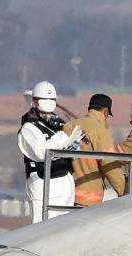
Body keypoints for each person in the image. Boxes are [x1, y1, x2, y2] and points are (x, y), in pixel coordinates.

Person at [18, 81, 83, 222]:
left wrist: (74, 141)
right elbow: (42, 152)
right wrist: (65, 136)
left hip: (65, 180)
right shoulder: (29, 128)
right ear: (34, 102)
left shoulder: (58, 124)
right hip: (44, 184)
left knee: (64, 227)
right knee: (42, 226)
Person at [62, 93, 127, 206]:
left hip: (63, 195)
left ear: (89, 109)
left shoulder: (68, 126)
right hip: (87, 198)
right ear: (106, 112)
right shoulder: (100, 131)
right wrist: (124, 192)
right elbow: (109, 164)